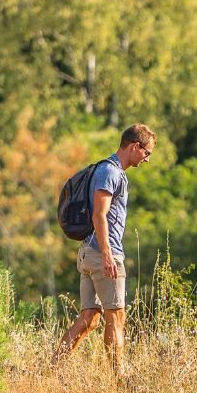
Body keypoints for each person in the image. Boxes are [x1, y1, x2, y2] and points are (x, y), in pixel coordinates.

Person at [54, 124, 156, 377]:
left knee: (90, 318)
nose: (147, 159)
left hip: (91, 252)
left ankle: (51, 369)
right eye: (147, 153)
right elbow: (100, 214)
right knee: (117, 317)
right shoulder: (110, 172)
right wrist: (108, 254)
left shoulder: (109, 171)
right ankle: (120, 379)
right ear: (134, 146)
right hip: (102, 254)